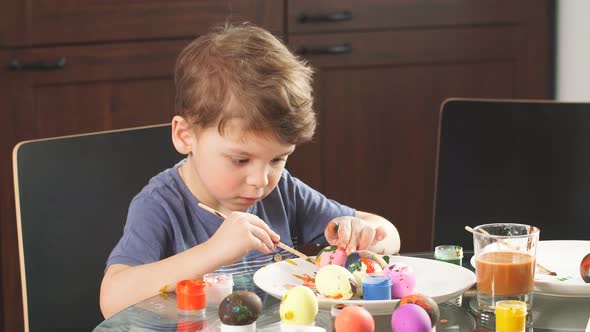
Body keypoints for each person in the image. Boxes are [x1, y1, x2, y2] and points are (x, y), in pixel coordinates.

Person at [99, 23, 400, 318]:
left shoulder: (283, 193)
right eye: (240, 160)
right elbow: (112, 299)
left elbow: (390, 237)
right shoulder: (161, 204)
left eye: (278, 159)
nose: (261, 181)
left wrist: (360, 235)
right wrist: (214, 250)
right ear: (185, 135)